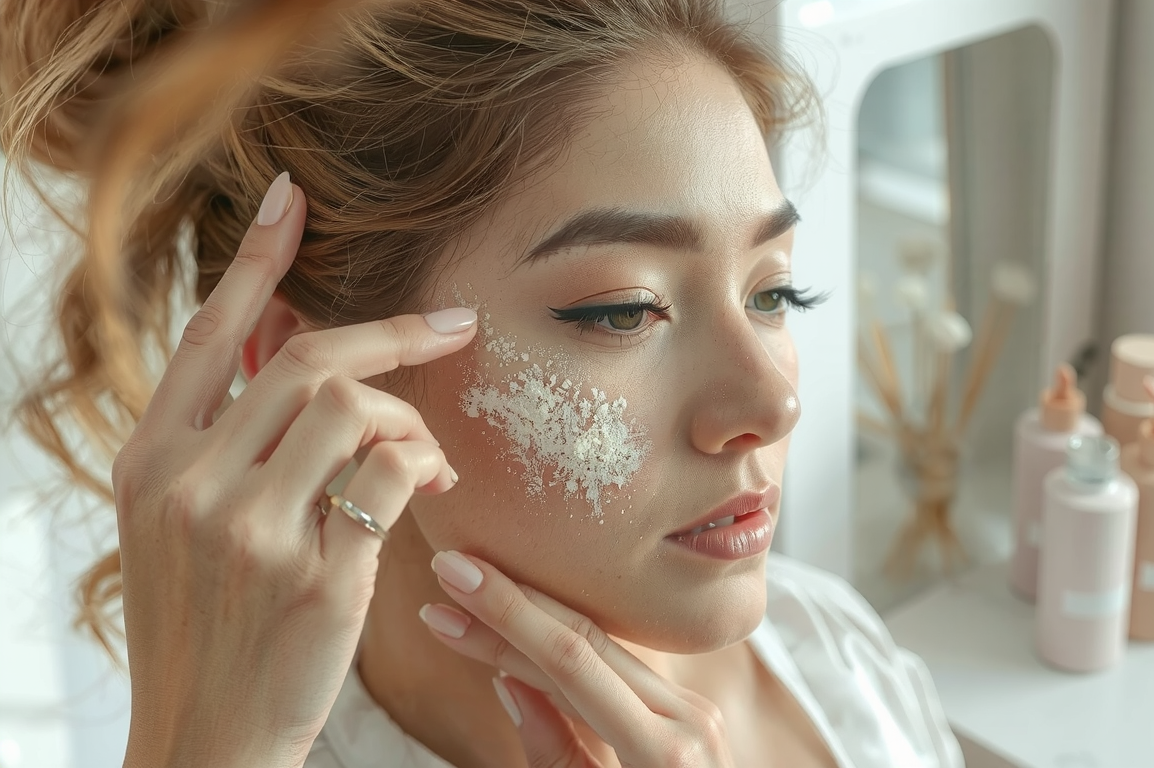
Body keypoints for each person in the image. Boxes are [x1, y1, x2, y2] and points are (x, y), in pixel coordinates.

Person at [1, 1, 963, 766]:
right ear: (318, 363)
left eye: (773, 291)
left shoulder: (828, 646)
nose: (772, 405)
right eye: (622, 311)